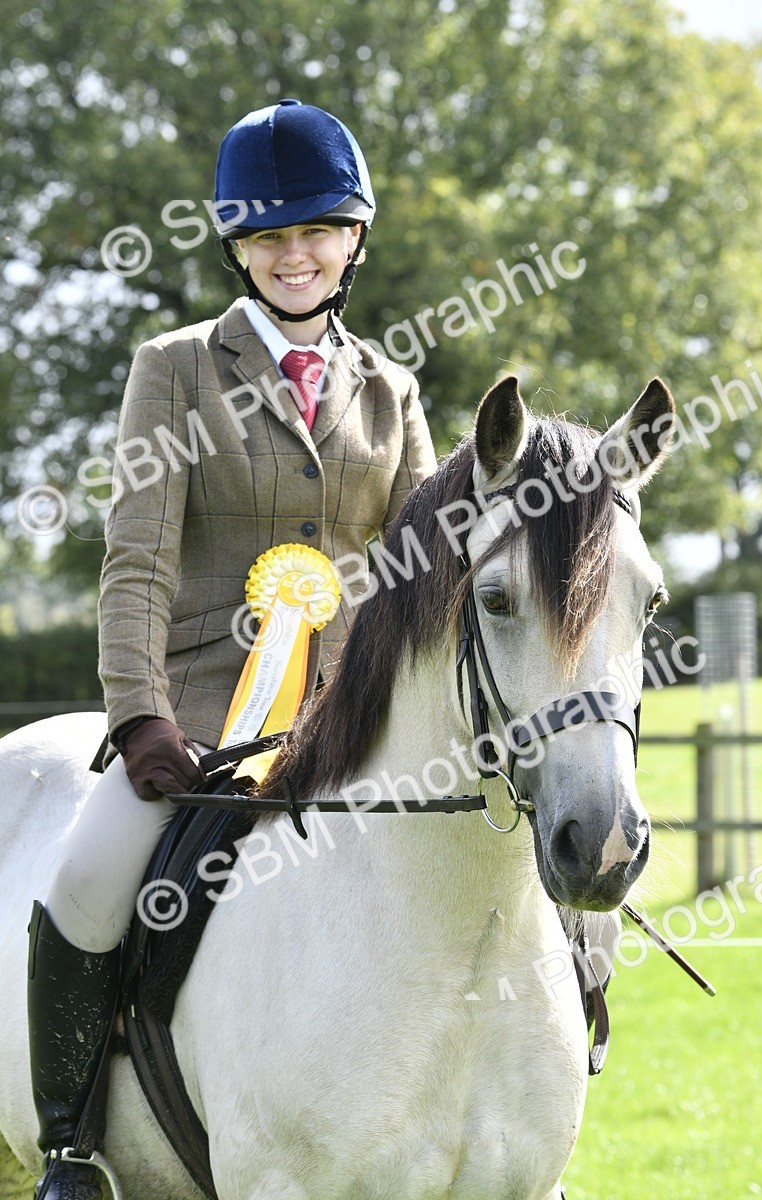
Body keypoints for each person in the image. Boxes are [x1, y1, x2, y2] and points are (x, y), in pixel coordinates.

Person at [27, 98, 437, 1199]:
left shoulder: (391, 393)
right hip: (204, 717)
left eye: (313, 232)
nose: (291, 255)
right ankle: (69, 1141)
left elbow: (418, 578)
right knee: (88, 878)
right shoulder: (174, 370)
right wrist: (138, 714)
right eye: (267, 236)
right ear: (237, 247)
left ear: (353, 237)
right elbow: (137, 565)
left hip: (355, 721)